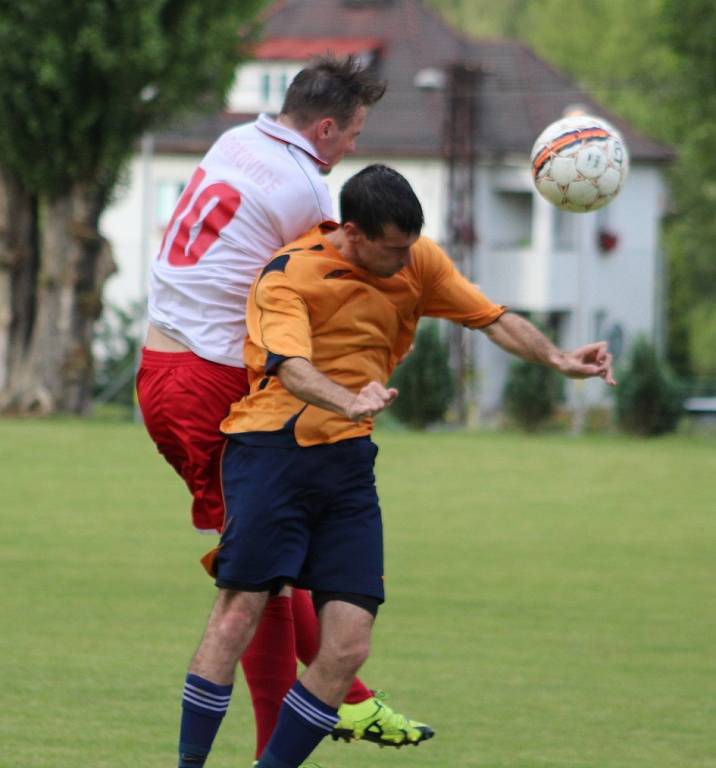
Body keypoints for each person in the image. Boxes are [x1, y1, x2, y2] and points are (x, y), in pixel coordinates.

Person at [176, 163, 617, 768]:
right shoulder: (289, 275)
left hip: (349, 465)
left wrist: (560, 357)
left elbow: (491, 318)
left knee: (348, 646)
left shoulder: (418, 260)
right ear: (352, 233)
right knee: (239, 612)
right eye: (392, 249)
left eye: (411, 247)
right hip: (271, 455)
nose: (405, 261)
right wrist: (347, 398)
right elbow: (290, 367)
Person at [136, 59, 432, 764]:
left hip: (169, 363)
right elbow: (336, 269)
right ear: (326, 126)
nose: (354, 146)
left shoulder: (240, 140)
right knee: (257, 578)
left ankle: (351, 700)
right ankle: (340, 708)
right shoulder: (305, 186)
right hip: (203, 381)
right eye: (354, 132)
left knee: (268, 570)